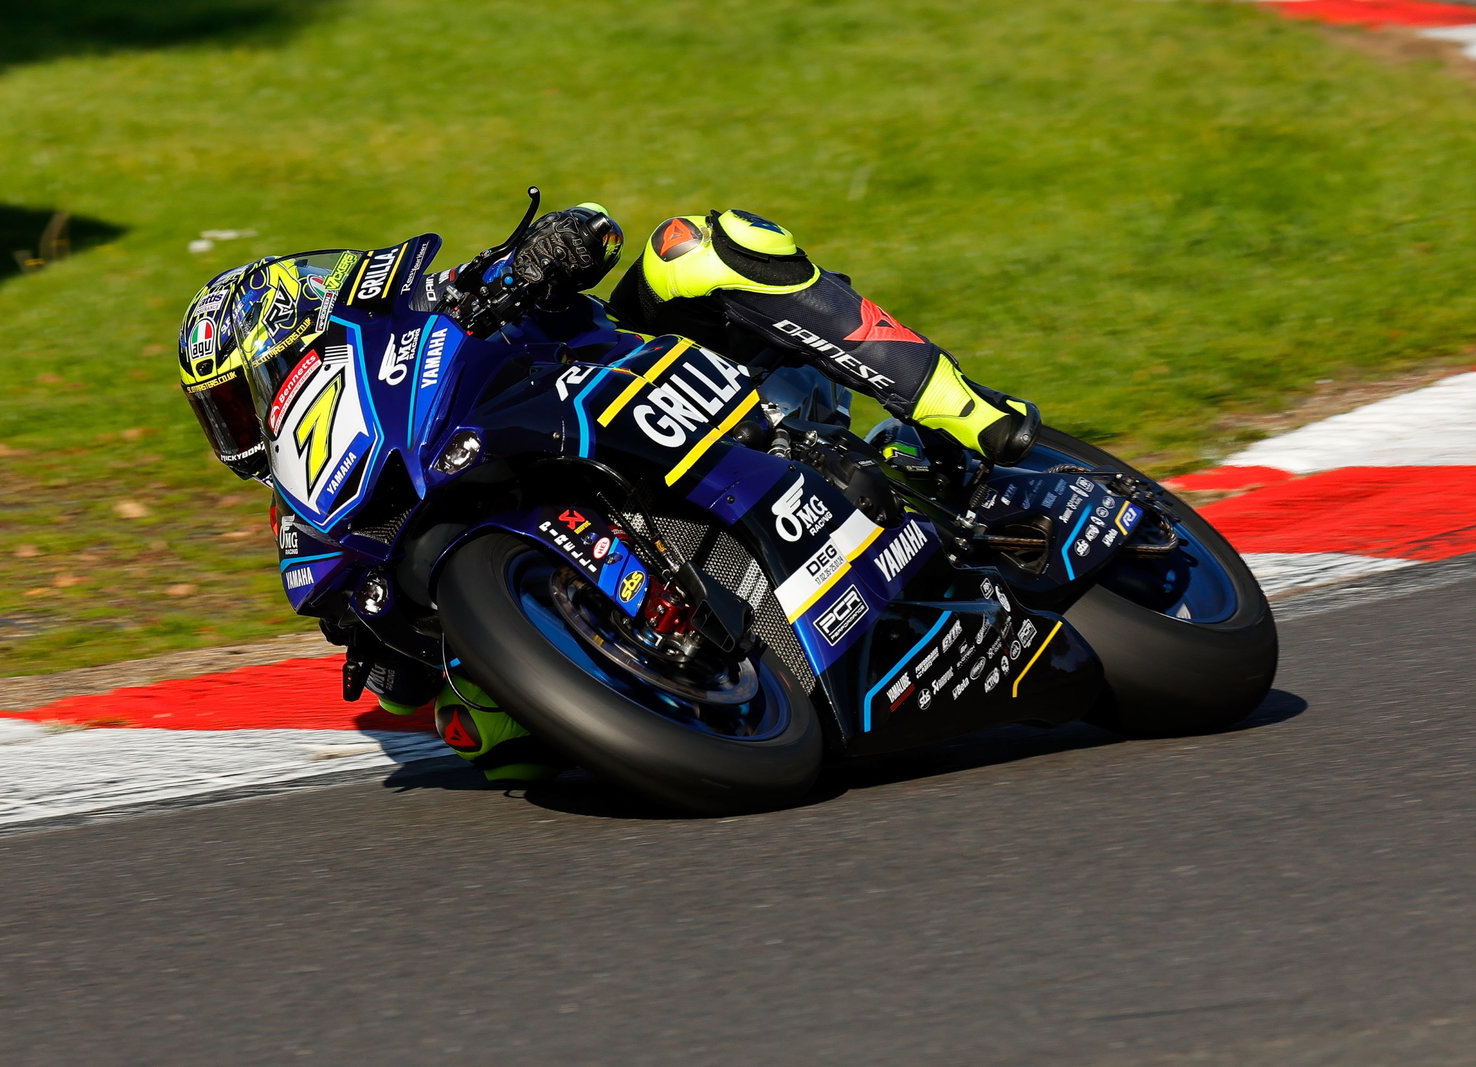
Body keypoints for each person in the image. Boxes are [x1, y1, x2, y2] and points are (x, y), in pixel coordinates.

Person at [177, 202, 1041, 781]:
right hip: (553, 570)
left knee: (695, 246)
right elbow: (397, 687)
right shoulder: (309, 525)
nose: (242, 425)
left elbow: (597, 228)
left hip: (670, 386)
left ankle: (965, 411)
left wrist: (544, 254)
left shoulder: (423, 306)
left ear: (293, 332)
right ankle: (682, 675)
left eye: (238, 397)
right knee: (486, 739)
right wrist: (390, 641)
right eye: (222, 414)